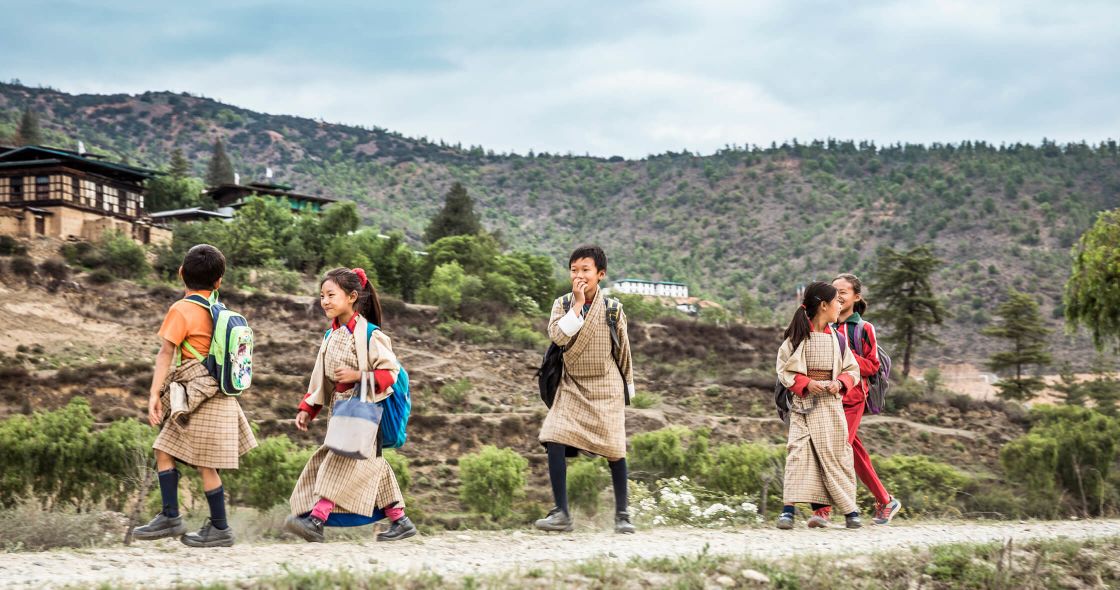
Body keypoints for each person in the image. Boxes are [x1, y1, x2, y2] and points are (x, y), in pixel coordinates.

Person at [134, 244, 258, 548]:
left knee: (174, 453)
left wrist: (154, 393)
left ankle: (189, 520)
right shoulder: (219, 311)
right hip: (218, 394)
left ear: (180, 274)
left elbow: (166, 353)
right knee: (185, 456)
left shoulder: (181, 309)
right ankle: (198, 522)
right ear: (218, 282)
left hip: (195, 394)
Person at [284, 268, 416, 543]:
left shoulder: (371, 334)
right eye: (322, 296)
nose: (325, 301)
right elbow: (321, 378)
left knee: (336, 461)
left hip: (366, 412)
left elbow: (389, 373)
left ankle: (316, 520)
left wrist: (358, 376)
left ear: (352, 297)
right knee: (373, 465)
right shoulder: (330, 336)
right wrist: (308, 409)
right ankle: (400, 520)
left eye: (331, 295)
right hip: (342, 410)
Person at [535, 245, 636, 534]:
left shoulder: (613, 310)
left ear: (600, 274)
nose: (579, 275)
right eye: (574, 270)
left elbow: (624, 352)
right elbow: (556, 335)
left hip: (607, 384)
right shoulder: (563, 304)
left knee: (615, 449)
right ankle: (561, 513)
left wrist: (628, 387)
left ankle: (622, 514)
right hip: (572, 383)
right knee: (553, 436)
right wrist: (578, 305)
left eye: (585, 270)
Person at [775, 281, 862, 529]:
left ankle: (850, 511)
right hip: (804, 406)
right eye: (837, 301)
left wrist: (840, 383)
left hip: (830, 407)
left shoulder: (838, 339)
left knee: (835, 456)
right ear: (824, 305)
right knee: (798, 454)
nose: (840, 305)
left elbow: (851, 369)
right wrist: (805, 383)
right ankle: (788, 511)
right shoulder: (796, 338)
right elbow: (784, 370)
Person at [832, 273, 902, 525]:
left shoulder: (864, 328)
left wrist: (844, 355)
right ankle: (885, 500)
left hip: (852, 398)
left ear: (856, 297)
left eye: (843, 292)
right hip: (828, 398)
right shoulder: (824, 325)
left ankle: (823, 511)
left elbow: (872, 365)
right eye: (834, 291)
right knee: (853, 451)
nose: (838, 296)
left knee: (836, 448)